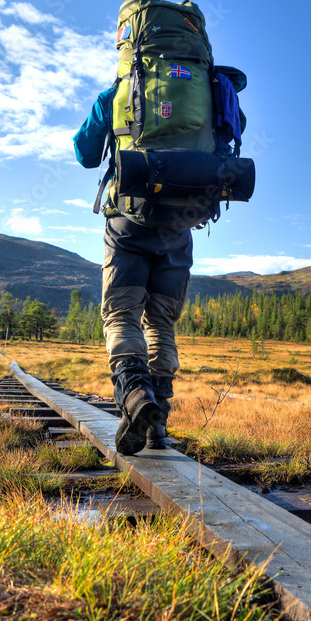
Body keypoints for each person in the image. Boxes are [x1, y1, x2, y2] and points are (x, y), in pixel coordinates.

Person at [73, 88, 192, 455]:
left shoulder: (117, 93)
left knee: (121, 313)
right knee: (161, 324)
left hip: (128, 219)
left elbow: (85, 153)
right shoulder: (208, 87)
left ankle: (136, 395)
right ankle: (158, 423)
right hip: (181, 224)